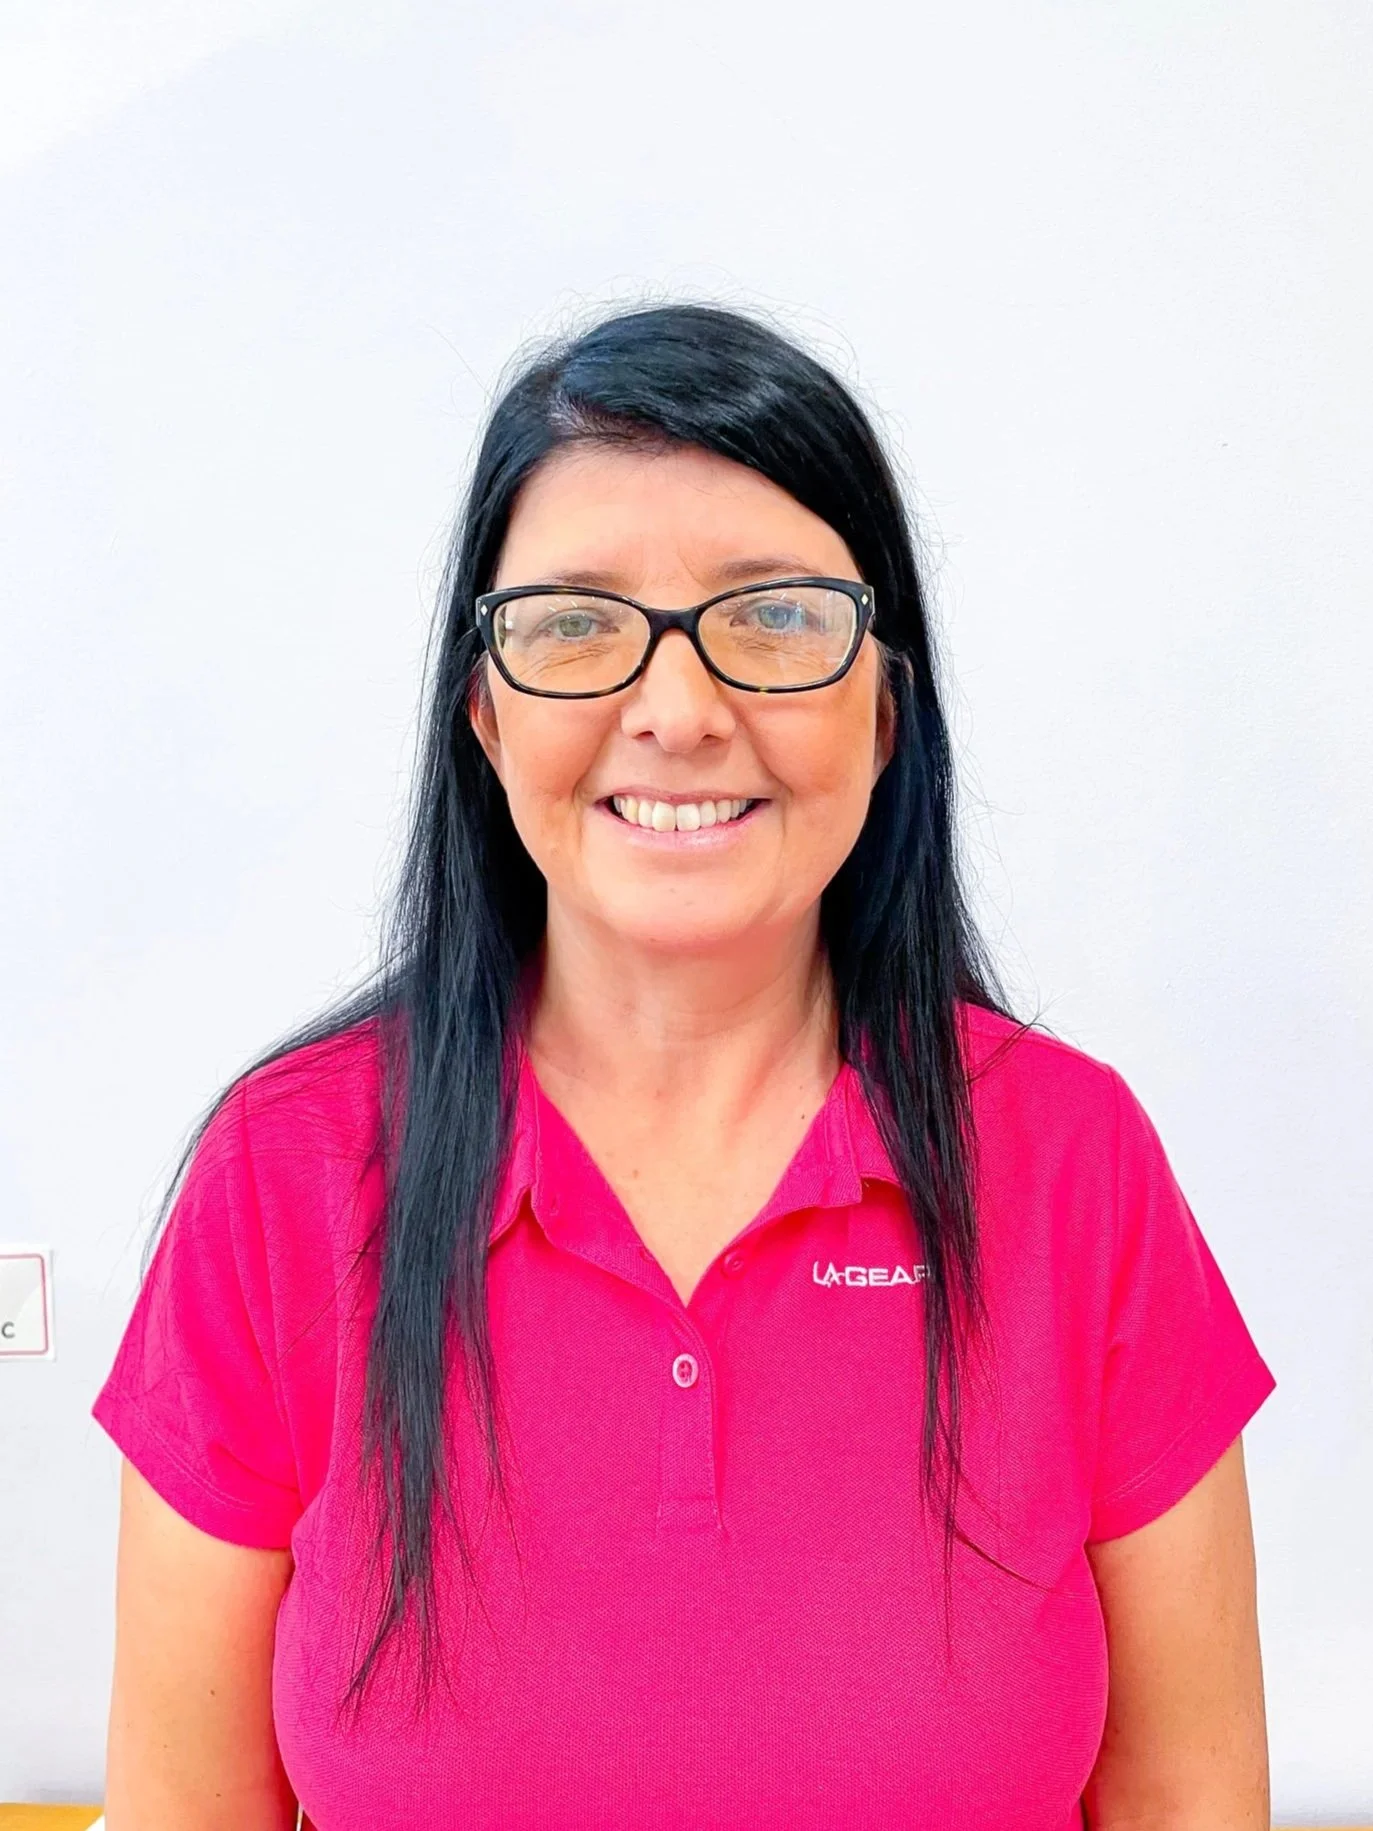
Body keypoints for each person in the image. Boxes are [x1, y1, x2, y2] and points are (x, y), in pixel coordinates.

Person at [93, 302, 1276, 1830]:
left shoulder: (1074, 1165)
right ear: (480, 704)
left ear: (887, 697)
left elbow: (1190, 1793)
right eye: (576, 622)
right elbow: (183, 1808)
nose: (678, 709)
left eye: (775, 617)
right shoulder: (285, 1179)